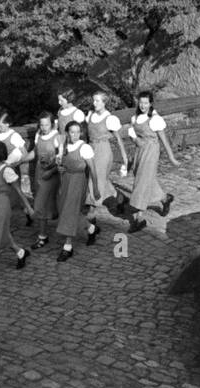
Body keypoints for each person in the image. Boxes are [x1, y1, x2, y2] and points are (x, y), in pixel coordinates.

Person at [126, 91, 179, 232]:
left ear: (150, 103)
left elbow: (163, 139)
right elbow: (134, 135)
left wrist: (171, 157)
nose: (143, 105)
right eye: (141, 102)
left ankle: (138, 218)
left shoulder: (155, 119)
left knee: (141, 182)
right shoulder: (135, 117)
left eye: (146, 103)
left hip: (151, 151)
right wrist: (135, 142)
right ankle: (164, 198)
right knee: (143, 177)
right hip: (140, 150)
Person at [0, 139, 32, 269]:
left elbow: (18, 191)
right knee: (2, 233)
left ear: (0, 153)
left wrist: (28, 207)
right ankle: (20, 252)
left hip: (2, 205)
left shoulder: (7, 171)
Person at [55, 121, 100, 261]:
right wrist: (60, 169)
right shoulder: (64, 147)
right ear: (67, 132)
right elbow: (61, 165)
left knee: (70, 211)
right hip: (65, 181)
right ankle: (91, 229)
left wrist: (96, 188)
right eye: (71, 132)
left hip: (79, 182)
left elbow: (92, 169)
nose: (74, 135)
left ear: (81, 133)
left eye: (77, 132)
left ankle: (67, 247)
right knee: (65, 210)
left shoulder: (84, 147)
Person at [86, 92, 128, 206]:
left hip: (103, 150)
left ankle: (93, 209)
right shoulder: (90, 115)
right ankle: (119, 199)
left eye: (97, 101)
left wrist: (124, 157)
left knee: (97, 177)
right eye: (93, 100)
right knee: (100, 178)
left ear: (104, 102)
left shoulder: (109, 118)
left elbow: (118, 138)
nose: (94, 103)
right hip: (91, 149)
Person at [30, 113, 62, 249]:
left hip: (51, 175)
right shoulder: (38, 135)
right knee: (42, 204)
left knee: (41, 204)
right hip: (39, 173)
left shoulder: (57, 137)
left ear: (52, 124)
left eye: (46, 124)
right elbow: (34, 153)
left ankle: (86, 227)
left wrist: (52, 171)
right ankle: (42, 236)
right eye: (41, 124)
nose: (44, 127)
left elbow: (61, 159)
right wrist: (18, 161)